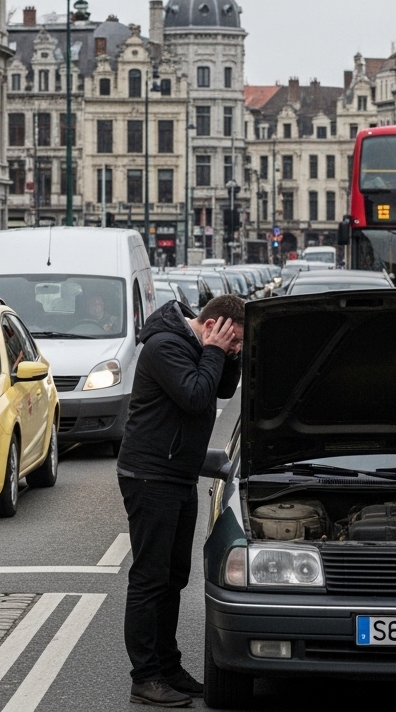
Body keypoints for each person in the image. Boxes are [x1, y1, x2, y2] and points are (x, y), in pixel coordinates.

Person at [117, 294, 243, 708]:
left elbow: (221, 386)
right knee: (150, 578)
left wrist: (229, 356)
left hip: (178, 474)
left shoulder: (197, 346)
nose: (234, 348)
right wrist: (214, 352)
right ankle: (145, 676)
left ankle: (168, 667)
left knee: (174, 576)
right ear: (211, 327)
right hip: (150, 475)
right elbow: (194, 395)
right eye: (233, 339)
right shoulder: (165, 346)